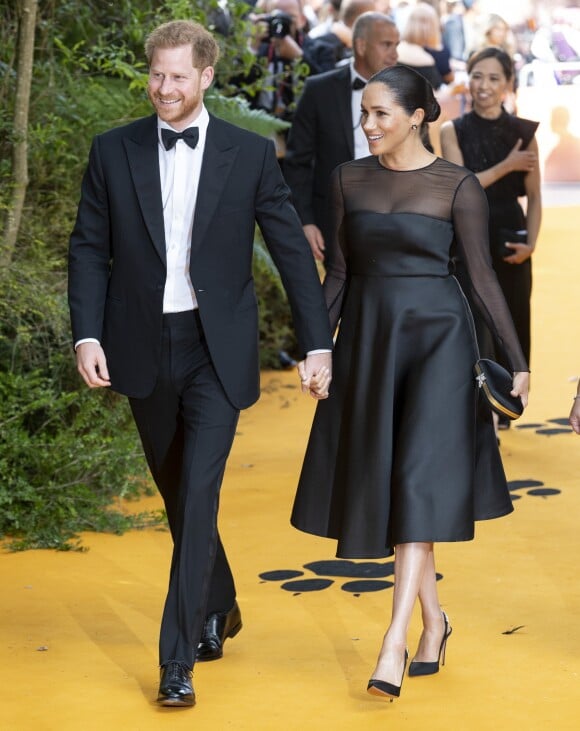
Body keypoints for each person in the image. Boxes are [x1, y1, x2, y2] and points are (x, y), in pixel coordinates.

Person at [68, 19, 333, 708]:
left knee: (200, 493)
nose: (164, 88)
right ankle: (221, 600)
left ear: (207, 76)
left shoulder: (248, 155)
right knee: (177, 492)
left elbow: (290, 254)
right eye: (157, 75)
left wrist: (317, 344)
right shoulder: (113, 149)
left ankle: (176, 659)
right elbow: (88, 249)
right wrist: (86, 336)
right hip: (139, 345)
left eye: (179, 76)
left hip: (218, 349)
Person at [291, 63, 529, 700]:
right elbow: (338, 275)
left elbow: (482, 279)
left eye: (380, 115)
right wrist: (317, 348)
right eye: (363, 115)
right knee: (395, 484)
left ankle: (392, 642)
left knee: (418, 480)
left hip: (440, 347)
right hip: (371, 343)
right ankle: (434, 622)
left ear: (416, 117)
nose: (367, 126)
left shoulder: (457, 187)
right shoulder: (348, 179)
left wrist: (518, 361)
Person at [440, 47, 541, 430]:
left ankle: (509, 402)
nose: (484, 86)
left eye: (494, 78)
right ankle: (478, 403)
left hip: (510, 233)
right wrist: (507, 165)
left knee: (515, 319)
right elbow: (460, 187)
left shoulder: (524, 133)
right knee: (474, 321)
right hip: (468, 235)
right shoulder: (453, 130)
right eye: (477, 76)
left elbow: (535, 197)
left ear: (508, 85)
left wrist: (531, 242)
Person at [284, 11, 399, 261]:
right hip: (332, 223)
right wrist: (305, 221)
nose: (395, 54)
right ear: (360, 45)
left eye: (396, 45)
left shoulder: (407, 93)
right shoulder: (319, 91)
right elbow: (297, 163)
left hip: (394, 223)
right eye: (386, 44)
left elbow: (423, 155)